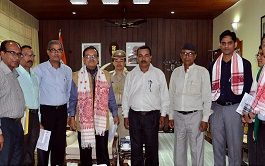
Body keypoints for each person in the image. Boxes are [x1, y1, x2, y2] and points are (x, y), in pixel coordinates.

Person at [68, 46, 119, 166]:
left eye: (94, 56)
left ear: (98, 59)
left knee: (103, 153)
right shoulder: (76, 76)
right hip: (83, 121)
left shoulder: (106, 75)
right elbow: (72, 99)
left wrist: (115, 114)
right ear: (83, 59)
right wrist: (71, 117)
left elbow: (110, 98)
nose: (91, 59)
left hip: (101, 122)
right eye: (88, 56)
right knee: (85, 154)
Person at [209, 30, 252, 166]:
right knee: (217, 147)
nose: (226, 46)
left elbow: (248, 91)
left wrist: (245, 112)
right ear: (220, 45)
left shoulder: (245, 64)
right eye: (223, 43)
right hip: (216, 108)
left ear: (235, 44)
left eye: (229, 43)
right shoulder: (212, 66)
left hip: (235, 109)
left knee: (234, 148)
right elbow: (208, 90)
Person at [122, 45, 170, 165]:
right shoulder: (131, 75)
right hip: (134, 116)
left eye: (146, 55)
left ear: (151, 58)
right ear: (137, 58)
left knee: (151, 148)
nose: (143, 58)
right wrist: (125, 115)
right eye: (140, 56)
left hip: (152, 116)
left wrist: (163, 115)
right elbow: (126, 96)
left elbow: (165, 96)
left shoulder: (159, 74)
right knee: (135, 148)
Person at [168, 43, 212, 166]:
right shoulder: (176, 72)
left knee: (196, 149)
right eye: (184, 53)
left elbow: (207, 98)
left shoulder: (202, 72)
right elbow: (171, 95)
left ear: (195, 56)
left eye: (190, 53)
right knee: (178, 150)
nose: (187, 56)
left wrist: (205, 119)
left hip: (195, 116)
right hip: (178, 117)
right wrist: (170, 116)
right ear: (180, 56)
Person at [34, 40, 72, 165]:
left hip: (61, 112)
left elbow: (69, 92)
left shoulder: (67, 70)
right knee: (44, 146)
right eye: (53, 50)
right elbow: (36, 94)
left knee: (59, 146)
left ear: (62, 52)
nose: (56, 53)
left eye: (59, 50)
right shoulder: (39, 69)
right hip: (46, 112)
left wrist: (68, 114)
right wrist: (38, 118)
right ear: (48, 52)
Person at [0, 40, 25, 165]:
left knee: (17, 161)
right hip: (4, 126)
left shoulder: (14, 73)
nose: (16, 57)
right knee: (4, 161)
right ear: (2, 53)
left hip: (17, 125)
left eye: (19, 54)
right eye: (12, 53)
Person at [242, 36, 265, 165]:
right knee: (255, 158)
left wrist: (250, 114)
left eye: (261, 54)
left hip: (257, 118)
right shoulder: (260, 73)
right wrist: (245, 113)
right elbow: (251, 97)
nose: (259, 57)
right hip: (255, 121)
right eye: (258, 54)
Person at [16, 45, 40, 165]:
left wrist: (39, 120)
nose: (29, 58)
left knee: (32, 147)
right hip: (23, 116)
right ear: (19, 56)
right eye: (26, 55)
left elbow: (37, 98)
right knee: (22, 148)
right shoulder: (15, 74)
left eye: (32, 55)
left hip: (35, 116)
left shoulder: (35, 75)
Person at [109, 50, 129, 139]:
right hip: (110, 111)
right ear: (113, 62)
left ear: (125, 62)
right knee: (110, 138)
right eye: (116, 60)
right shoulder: (107, 76)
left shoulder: (130, 76)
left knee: (125, 138)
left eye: (121, 61)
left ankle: (123, 153)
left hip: (125, 111)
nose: (119, 63)